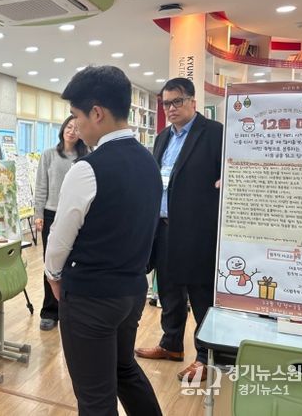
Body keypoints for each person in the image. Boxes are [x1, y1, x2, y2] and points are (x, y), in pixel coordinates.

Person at [45, 65, 163, 416]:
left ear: (97, 113)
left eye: (77, 115)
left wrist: (53, 275)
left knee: (95, 396)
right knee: (124, 370)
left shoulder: (88, 168)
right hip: (132, 290)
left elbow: (60, 238)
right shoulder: (149, 162)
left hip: (91, 296)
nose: (76, 125)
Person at [134, 77, 223, 382]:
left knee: (200, 295)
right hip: (163, 227)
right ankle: (171, 344)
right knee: (169, 290)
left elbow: (229, 173)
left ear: (192, 102)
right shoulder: (162, 137)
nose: (171, 108)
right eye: (166, 103)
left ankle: (205, 357)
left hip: (197, 229)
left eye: (177, 101)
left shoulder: (214, 133)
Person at [34, 115, 89, 331]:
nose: (72, 131)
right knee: (51, 263)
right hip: (51, 214)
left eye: (76, 128)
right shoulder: (49, 154)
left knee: (73, 264)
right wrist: (38, 213)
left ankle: (71, 310)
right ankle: (49, 311)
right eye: (69, 126)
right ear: (63, 129)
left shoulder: (86, 157)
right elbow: (41, 186)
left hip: (76, 216)